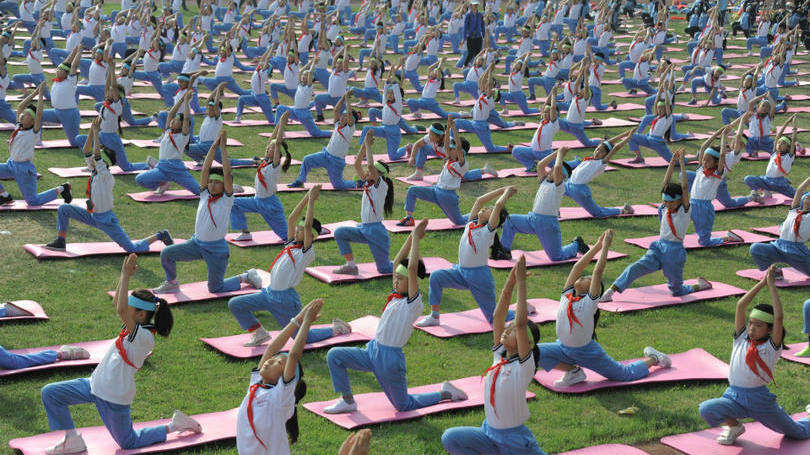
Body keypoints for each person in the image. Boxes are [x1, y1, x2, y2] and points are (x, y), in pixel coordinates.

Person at [40, 254, 202, 454]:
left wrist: (125, 275)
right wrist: (124, 276)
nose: (125, 308)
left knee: (129, 442)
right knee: (51, 393)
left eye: (130, 308)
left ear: (141, 315)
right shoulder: (136, 327)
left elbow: (120, 309)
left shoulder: (144, 337)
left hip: (113, 396)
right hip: (95, 384)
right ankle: (72, 439)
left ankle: (174, 425)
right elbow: (118, 303)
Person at [323, 219, 469, 413]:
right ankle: (348, 401)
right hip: (372, 351)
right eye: (395, 278)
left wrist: (416, 240)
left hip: (390, 361)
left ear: (411, 281)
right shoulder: (396, 296)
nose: (395, 280)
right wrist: (411, 236)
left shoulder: (413, 304)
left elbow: (411, 268)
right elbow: (398, 262)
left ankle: (446, 393)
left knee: (403, 405)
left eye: (400, 279)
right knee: (335, 355)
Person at [537, 229, 673, 387]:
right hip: (563, 347)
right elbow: (577, 267)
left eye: (588, 279)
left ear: (592, 289)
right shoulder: (566, 296)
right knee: (533, 352)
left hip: (587, 353)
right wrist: (597, 246)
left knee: (624, 374)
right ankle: (574, 372)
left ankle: (654, 358)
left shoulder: (589, 302)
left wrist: (606, 246)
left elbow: (598, 271)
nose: (583, 276)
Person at [441, 255, 545, 455]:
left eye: (512, 330)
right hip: (489, 433)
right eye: (509, 327)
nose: (507, 330)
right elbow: (498, 317)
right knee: (451, 438)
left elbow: (521, 323)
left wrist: (522, 283)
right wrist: (511, 281)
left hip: (515, 441)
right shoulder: (500, 356)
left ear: (527, 343)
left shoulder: (524, 366)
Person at [698, 265, 810, 446]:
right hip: (734, 396)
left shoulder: (771, 347)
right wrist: (762, 283)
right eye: (750, 323)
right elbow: (740, 305)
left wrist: (772, 287)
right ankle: (735, 426)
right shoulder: (741, 339)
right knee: (706, 409)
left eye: (758, 325)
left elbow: (779, 317)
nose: (751, 328)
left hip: (760, 401)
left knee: (798, 433)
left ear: (770, 329)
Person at [44, 119, 173, 253]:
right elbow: (87, 150)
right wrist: (91, 130)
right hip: (92, 215)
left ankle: (160, 235)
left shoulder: (105, 175)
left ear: (103, 162)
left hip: (106, 220)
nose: (91, 159)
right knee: (64, 209)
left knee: (131, 249)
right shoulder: (95, 170)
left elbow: (96, 156)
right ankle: (60, 241)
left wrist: (96, 133)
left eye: (95, 158)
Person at [153, 131, 258, 295]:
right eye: (211, 182)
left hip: (216, 250)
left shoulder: (226, 199)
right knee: (167, 254)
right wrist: (213, 146)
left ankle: (246, 277)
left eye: (217, 182)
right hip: (196, 244)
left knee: (215, 288)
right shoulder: (204, 194)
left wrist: (223, 149)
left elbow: (227, 173)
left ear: (225, 186)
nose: (212, 185)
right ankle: (171, 282)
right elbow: (205, 170)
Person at [600, 150, 713, 303]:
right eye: (665, 201)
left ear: (680, 200)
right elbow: (665, 184)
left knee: (676, 291)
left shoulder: (685, 210)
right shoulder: (664, 208)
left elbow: (685, 186)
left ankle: (700, 285)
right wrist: (672, 162)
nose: (667, 204)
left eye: (671, 202)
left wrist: (681, 162)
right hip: (658, 247)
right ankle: (610, 292)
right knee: (635, 267)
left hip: (674, 252)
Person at [418, 186, 517, 327]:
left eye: (490, 210)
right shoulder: (471, 223)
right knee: (436, 277)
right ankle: (434, 316)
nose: (485, 208)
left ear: (494, 218)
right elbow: (479, 200)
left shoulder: (488, 231)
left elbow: (498, 205)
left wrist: (506, 194)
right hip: (461, 272)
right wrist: (500, 190)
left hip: (479, 277)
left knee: (494, 318)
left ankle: (522, 310)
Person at [236, 299, 322, 454]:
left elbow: (294, 354)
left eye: (279, 363)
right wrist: (298, 318)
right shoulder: (256, 385)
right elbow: (271, 348)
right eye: (274, 358)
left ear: (284, 376)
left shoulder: (281, 396)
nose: (270, 360)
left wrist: (307, 323)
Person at [500, 147, 588, 261]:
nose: (551, 171)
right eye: (552, 170)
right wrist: (556, 153)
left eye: (557, 172)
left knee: (556, 257)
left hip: (548, 224)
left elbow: (557, 168)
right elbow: (541, 165)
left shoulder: (560, 187)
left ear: (563, 178)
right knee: (510, 221)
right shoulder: (545, 181)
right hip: (532, 219)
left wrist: (560, 155)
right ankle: (503, 251)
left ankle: (576, 245)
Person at [0, 83, 72, 207]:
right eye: (23, 114)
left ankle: (63, 188)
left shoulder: (34, 132)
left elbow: (39, 114)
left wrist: (41, 95)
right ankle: (4, 196)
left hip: (24, 170)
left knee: (33, 201)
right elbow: (20, 106)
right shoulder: (19, 126)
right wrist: (34, 93)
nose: (23, 115)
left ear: (33, 121)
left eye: (27, 115)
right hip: (11, 164)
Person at [333, 137, 395, 275]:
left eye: (371, 172)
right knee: (340, 233)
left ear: (380, 175)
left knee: (384, 269)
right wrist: (364, 144)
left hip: (376, 232)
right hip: (364, 229)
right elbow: (357, 165)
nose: (367, 172)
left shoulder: (382, 186)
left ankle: (407, 265)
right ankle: (351, 266)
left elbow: (371, 166)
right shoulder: (368, 183)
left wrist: (368, 145)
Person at [230, 113, 292, 242]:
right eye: (268, 148)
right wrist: (279, 123)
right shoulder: (265, 162)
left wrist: (282, 124)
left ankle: (312, 231)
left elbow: (277, 142)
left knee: (287, 236)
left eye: (271, 149)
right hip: (257, 200)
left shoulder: (274, 166)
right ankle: (245, 233)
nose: (268, 149)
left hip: (270, 204)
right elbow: (272, 140)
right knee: (232, 203)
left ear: (278, 153)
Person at [288, 92, 361, 189]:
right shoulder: (338, 124)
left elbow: (349, 114)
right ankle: (300, 180)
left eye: (346, 116)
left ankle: (356, 183)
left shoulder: (350, 129)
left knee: (338, 185)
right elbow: (336, 110)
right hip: (325, 155)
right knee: (307, 160)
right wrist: (344, 96)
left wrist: (347, 99)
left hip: (336, 161)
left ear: (351, 120)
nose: (343, 117)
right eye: (342, 115)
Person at [134, 91, 200, 195]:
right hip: (162, 168)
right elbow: (171, 114)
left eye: (177, 120)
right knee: (139, 179)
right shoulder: (168, 131)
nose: (173, 120)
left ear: (182, 125)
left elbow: (187, 118)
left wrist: (187, 102)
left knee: (199, 192)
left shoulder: (183, 136)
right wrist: (181, 100)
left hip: (177, 169)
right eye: (173, 119)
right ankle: (163, 182)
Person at [749, 176, 810, 281]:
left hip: (797, 253)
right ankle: (774, 272)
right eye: (807, 196)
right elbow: (799, 190)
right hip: (778, 247)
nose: (808, 196)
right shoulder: (794, 211)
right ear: (802, 201)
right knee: (755, 248)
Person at [565, 129, 636, 218]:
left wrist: (628, 138)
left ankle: (623, 210)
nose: (598, 152)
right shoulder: (593, 157)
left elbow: (615, 148)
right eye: (597, 149)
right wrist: (624, 134)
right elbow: (608, 143)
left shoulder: (601, 162)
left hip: (579, 191)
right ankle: (554, 210)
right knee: (554, 187)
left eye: (601, 152)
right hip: (569, 183)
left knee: (598, 213)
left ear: (605, 155)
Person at [745, 114, 798, 199]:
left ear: (788, 147)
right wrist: (787, 121)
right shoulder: (774, 153)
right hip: (766, 181)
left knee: (799, 196)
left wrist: (794, 125)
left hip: (779, 185)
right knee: (748, 179)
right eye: (779, 143)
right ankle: (765, 192)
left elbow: (794, 139)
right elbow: (778, 136)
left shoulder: (789, 156)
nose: (779, 144)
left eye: (783, 143)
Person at [462, 0, 484, 67]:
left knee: (478, 53)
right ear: (471, 6)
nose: (476, 6)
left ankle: (476, 67)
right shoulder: (468, 15)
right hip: (470, 37)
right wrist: (464, 38)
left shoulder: (480, 15)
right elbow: (465, 27)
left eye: (477, 5)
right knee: (470, 53)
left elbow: (482, 26)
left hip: (478, 37)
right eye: (474, 5)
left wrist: (484, 35)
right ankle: (464, 65)